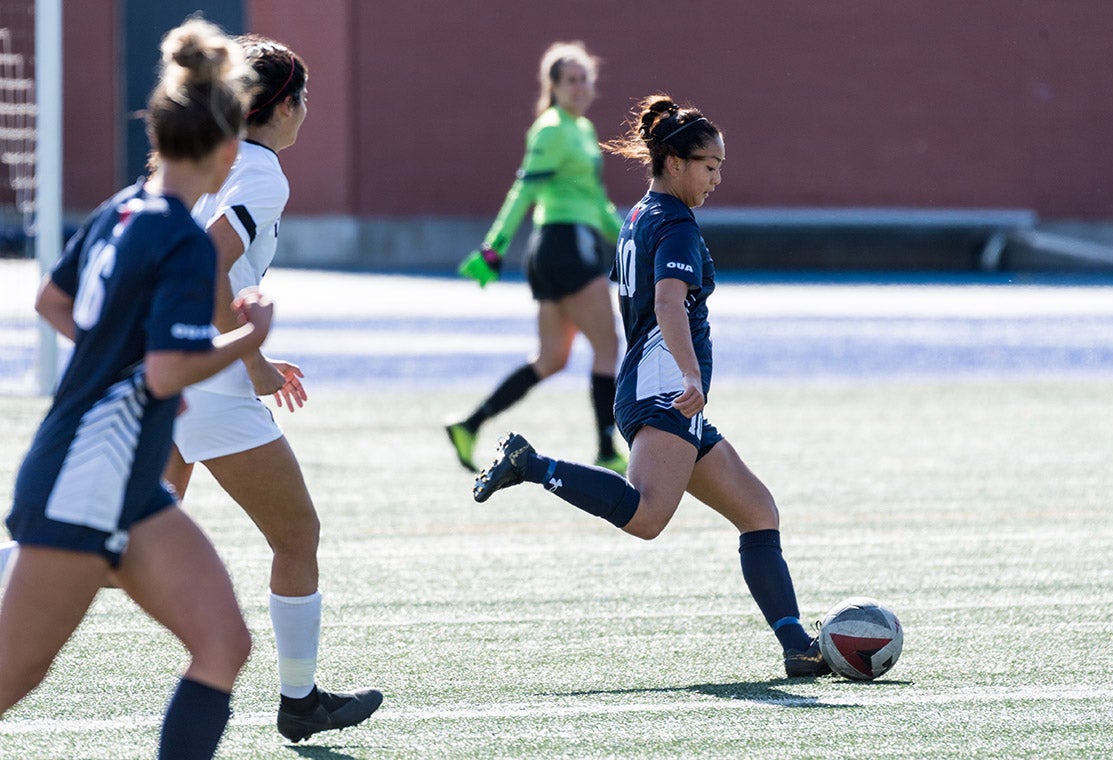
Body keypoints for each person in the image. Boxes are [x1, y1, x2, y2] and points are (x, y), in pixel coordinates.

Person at [472, 95, 832, 679]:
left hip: (651, 384)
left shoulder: (639, 215)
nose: (716, 178)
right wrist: (691, 375)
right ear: (673, 162)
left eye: (719, 166)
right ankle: (531, 465)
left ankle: (797, 646)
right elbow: (667, 302)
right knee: (645, 517)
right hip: (665, 386)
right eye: (708, 165)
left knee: (758, 512)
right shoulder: (677, 225)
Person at [0, 19, 272, 758]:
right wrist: (252, 337)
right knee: (13, 676)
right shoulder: (182, 238)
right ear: (225, 151)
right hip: (84, 480)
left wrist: (116, 365)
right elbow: (165, 372)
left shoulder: (119, 210)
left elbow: (52, 303)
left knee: (224, 641)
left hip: (126, 485)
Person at [161, 35, 383, 743]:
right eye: (304, 100)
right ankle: (300, 701)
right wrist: (253, 363)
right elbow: (207, 268)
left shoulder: (219, 162)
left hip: (170, 368)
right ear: (281, 106)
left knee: (117, 539)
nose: (306, 114)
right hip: (210, 383)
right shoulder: (261, 174)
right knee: (297, 534)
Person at [447, 41, 627, 474]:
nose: (581, 87)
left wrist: (629, 239)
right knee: (608, 347)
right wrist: (494, 246)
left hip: (561, 249)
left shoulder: (581, 129)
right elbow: (524, 190)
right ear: (554, 86)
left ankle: (469, 424)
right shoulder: (551, 129)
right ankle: (606, 447)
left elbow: (598, 203)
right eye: (572, 80)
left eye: (586, 79)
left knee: (551, 360)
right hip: (566, 247)